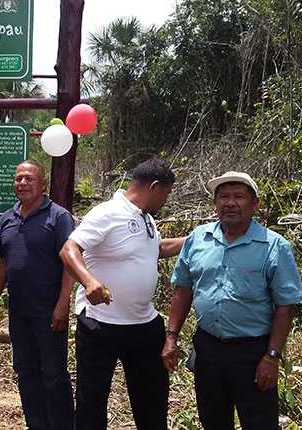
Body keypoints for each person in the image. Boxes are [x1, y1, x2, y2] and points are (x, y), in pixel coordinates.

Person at [161, 171, 302, 430]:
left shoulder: (274, 246)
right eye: (223, 197)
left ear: (255, 203)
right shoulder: (198, 239)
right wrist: (171, 337)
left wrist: (272, 358)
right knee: (213, 420)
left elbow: (286, 305)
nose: (230, 203)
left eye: (239, 196)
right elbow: (183, 290)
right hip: (208, 349)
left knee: (259, 423)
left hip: (253, 353)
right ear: (215, 204)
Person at [59, 158, 185, 430]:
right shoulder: (107, 212)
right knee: (92, 401)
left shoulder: (146, 218)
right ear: (154, 187)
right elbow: (69, 249)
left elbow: (157, 249)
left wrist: (194, 239)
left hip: (143, 325)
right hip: (101, 324)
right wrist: (88, 280)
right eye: (165, 193)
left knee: (152, 399)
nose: (165, 200)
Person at [0, 159, 76, 430]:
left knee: (54, 375)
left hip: (48, 312)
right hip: (19, 311)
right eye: (18, 179)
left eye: (29, 178)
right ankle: (36, 424)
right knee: (25, 371)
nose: (22, 183)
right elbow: (2, 263)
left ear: (43, 183)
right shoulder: (7, 217)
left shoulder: (59, 217)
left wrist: (62, 305)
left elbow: (70, 264)